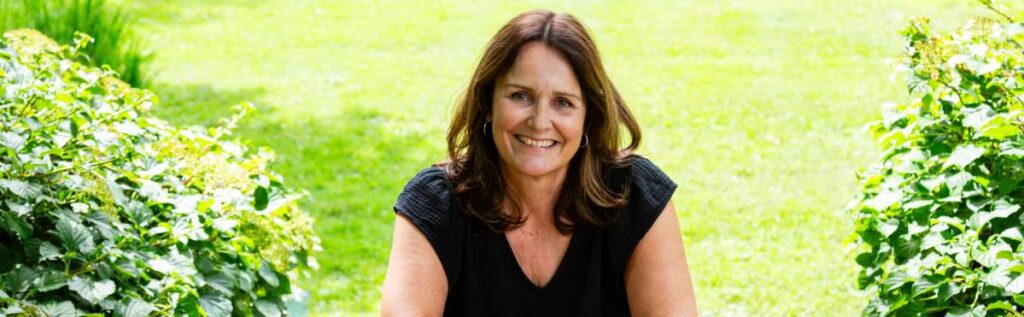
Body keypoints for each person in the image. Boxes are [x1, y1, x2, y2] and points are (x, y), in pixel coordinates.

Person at [381, 9, 696, 316]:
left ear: (588, 117)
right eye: (520, 96)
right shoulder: (436, 204)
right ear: (487, 103)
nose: (540, 121)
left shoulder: (634, 196)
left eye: (563, 103)